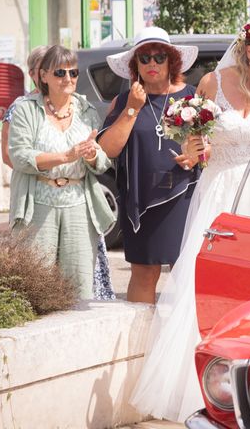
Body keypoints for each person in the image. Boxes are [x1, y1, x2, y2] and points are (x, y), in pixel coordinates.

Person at [130, 15, 250, 422]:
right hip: (220, 195)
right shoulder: (214, 83)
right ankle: (206, 388)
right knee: (207, 288)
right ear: (248, 51)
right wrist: (193, 147)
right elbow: (193, 141)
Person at [97, 26, 200, 304]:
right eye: (144, 58)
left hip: (185, 196)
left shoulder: (192, 97)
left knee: (186, 272)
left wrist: (196, 154)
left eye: (159, 57)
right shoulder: (124, 101)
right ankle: (141, 344)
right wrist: (132, 107)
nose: (152, 64)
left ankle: (183, 344)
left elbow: (211, 145)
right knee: (144, 273)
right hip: (141, 198)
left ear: (171, 61)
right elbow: (107, 150)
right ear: (135, 65)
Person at [8, 45, 115, 299]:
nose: (68, 79)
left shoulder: (87, 111)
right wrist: (65, 156)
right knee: (35, 283)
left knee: (79, 284)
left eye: (73, 73)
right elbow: (19, 156)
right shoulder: (25, 109)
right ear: (43, 76)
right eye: (60, 73)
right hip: (38, 201)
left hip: (78, 201)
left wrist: (91, 155)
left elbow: (102, 160)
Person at [1, 45, 49, 167]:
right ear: (32, 74)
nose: (48, 73)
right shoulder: (19, 107)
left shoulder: (71, 103)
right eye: (43, 68)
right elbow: (7, 155)